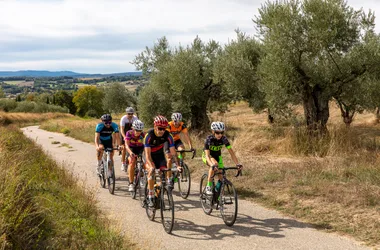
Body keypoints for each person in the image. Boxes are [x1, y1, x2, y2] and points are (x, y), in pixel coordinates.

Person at [144, 115, 181, 207]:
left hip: (160, 156)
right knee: (151, 171)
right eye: (160, 128)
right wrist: (151, 166)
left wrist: (177, 165)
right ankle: (150, 196)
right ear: (155, 126)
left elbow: (173, 152)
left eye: (164, 129)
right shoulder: (149, 136)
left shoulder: (168, 135)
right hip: (149, 156)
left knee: (163, 173)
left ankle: (159, 193)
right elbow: (147, 155)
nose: (162, 131)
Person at [202, 121, 243, 195]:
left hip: (218, 156)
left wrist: (237, 164)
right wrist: (212, 165)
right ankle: (208, 186)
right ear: (213, 131)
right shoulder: (209, 139)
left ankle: (217, 195)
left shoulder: (224, 139)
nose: (220, 135)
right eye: (217, 132)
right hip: (207, 156)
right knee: (214, 164)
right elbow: (207, 156)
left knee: (221, 176)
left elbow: (232, 153)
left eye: (222, 132)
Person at [125, 119, 146, 192]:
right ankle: (131, 183)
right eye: (136, 130)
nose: (138, 132)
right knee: (132, 162)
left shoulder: (143, 134)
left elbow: (147, 144)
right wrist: (130, 153)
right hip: (131, 148)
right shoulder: (129, 133)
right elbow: (126, 146)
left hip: (140, 148)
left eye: (140, 131)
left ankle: (142, 176)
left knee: (145, 161)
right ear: (133, 128)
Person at [120, 107, 138, 171]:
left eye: (131, 114)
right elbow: (122, 129)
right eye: (129, 114)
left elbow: (136, 128)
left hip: (132, 133)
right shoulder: (123, 119)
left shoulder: (135, 118)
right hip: (124, 133)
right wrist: (124, 137)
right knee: (124, 148)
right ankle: (123, 163)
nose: (130, 115)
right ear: (126, 113)